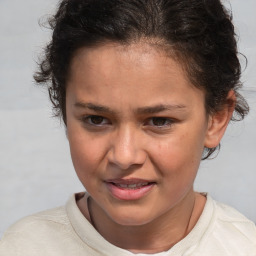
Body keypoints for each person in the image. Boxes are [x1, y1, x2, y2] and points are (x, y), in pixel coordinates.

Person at [0, 0, 255, 255]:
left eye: (159, 121)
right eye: (96, 119)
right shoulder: (21, 248)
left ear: (217, 118)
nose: (124, 156)